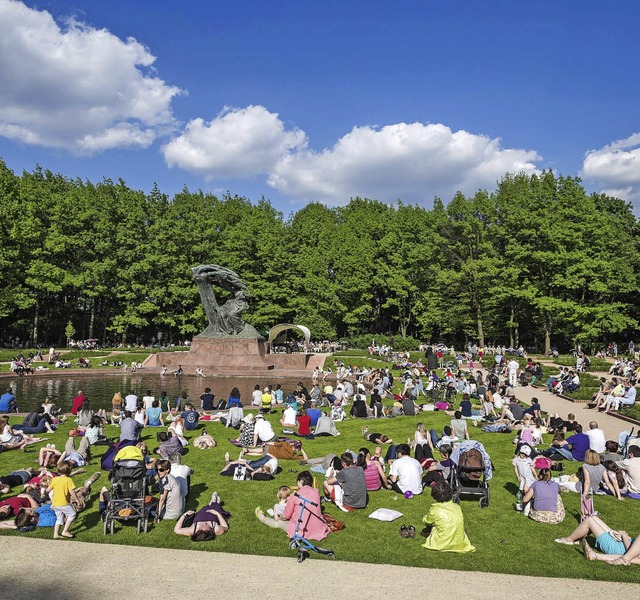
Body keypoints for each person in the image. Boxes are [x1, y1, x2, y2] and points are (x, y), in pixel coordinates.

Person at [555, 514, 637, 562]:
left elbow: (632, 552)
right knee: (594, 518)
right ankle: (577, 538)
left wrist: (624, 535)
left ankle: (569, 539)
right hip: (620, 542)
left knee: (589, 521)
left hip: (615, 547)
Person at [421, 481, 475, 553]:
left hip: (441, 543)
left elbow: (427, 521)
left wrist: (425, 518)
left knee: (427, 529)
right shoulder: (457, 507)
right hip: (459, 542)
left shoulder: (435, 509)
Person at [281, 471, 329, 541]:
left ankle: (263, 518)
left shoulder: (295, 496)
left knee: (279, 523)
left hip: (301, 529)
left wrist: (279, 518)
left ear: (300, 481)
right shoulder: (316, 492)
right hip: (318, 527)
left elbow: (287, 515)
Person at [47, 461, 80, 539]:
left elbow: (48, 490)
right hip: (63, 503)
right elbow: (71, 491)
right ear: (70, 470)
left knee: (59, 518)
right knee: (72, 514)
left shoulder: (54, 479)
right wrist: (76, 499)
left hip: (55, 504)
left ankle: (55, 534)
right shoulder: (68, 480)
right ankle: (65, 531)